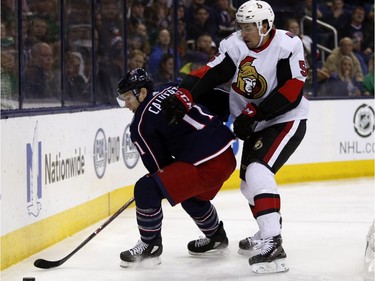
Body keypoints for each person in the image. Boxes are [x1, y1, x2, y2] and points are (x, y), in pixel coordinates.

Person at [161, 0, 309, 274]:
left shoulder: (288, 44)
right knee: (247, 184)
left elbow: (292, 90)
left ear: (266, 25)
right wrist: (186, 93)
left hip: (285, 119)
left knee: (256, 170)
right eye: (241, 27)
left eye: (249, 27)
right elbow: (211, 72)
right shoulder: (236, 44)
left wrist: (256, 113)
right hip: (253, 122)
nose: (244, 32)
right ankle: (267, 232)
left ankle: (273, 241)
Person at [116, 68, 236, 267]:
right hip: (226, 155)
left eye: (128, 97)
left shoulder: (140, 124)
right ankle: (216, 237)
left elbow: (159, 166)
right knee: (190, 196)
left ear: (143, 93)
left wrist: (160, 186)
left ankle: (150, 245)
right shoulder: (173, 87)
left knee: (146, 188)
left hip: (206, 164)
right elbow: (217, 98)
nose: (126, 104)